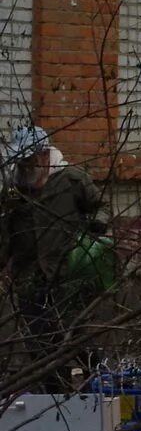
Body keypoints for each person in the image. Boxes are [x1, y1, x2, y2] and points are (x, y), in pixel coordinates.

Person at [3, 127, 107, 390]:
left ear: (44, 156)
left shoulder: (71, 180)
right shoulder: (14, 191)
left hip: (69, 275)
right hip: (29, 279)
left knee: (78, 338)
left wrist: (98, 228)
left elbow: (101, 208)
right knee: (41, 346)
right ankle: (56, 398)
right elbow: (6, 236)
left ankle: (94, 389)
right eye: (22, 162)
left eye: (30, 160)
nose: (26, 167)